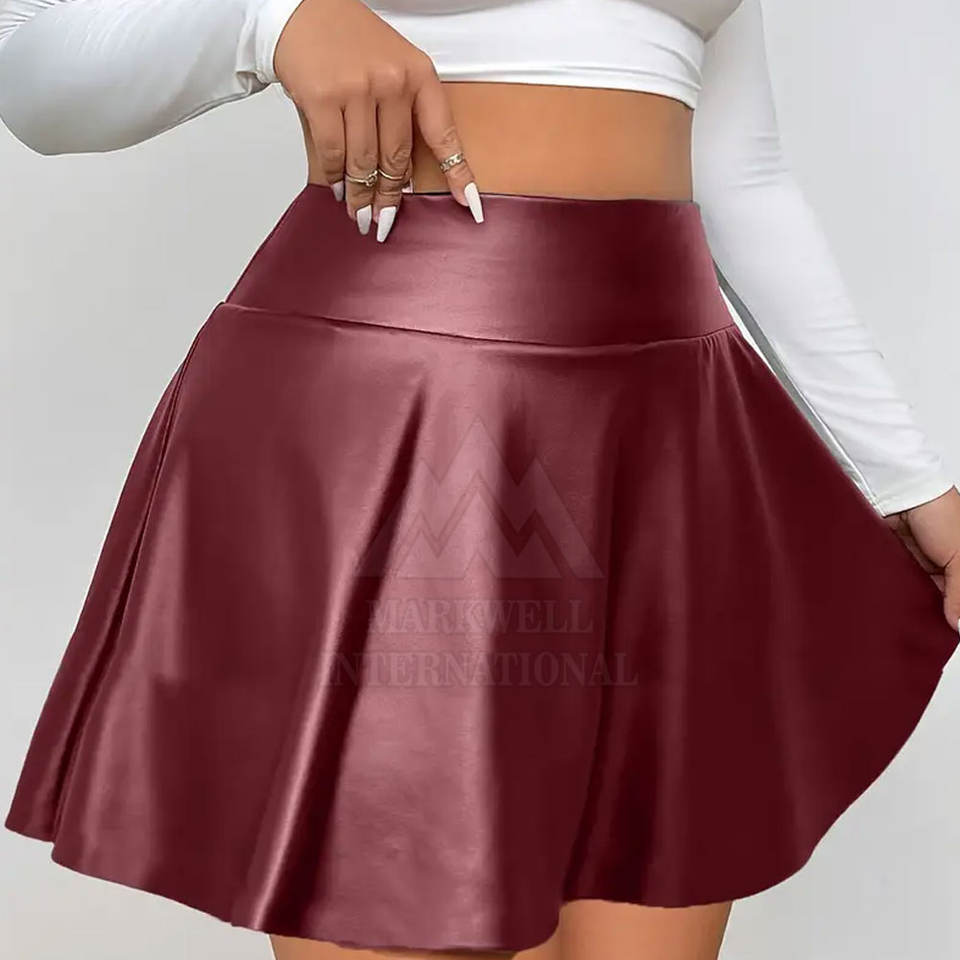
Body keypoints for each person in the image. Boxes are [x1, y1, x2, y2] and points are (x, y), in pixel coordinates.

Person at [2, 1, 958, 959]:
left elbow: (741, 174)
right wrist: (269, 20)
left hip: (667, 440)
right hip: (399, 416)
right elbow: (29, 66)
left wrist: (904, 478)